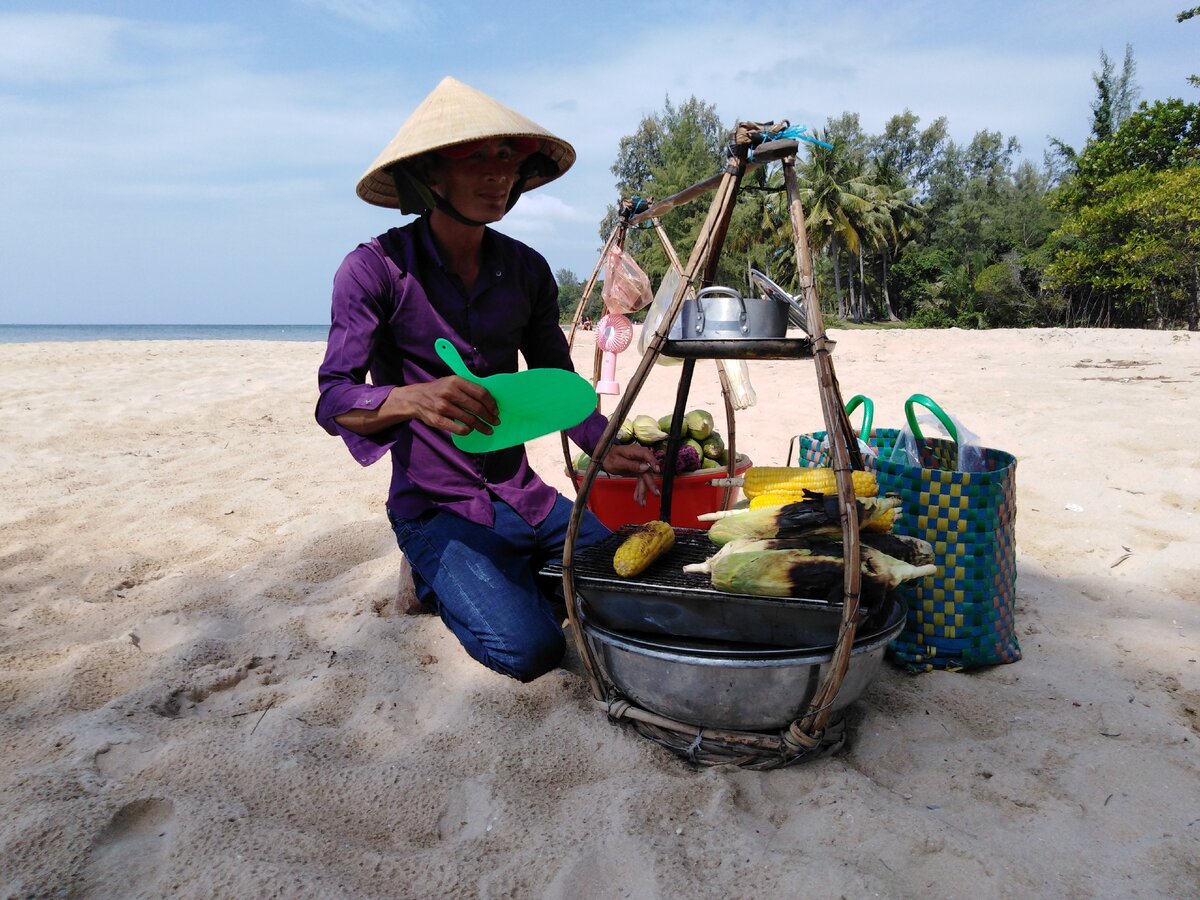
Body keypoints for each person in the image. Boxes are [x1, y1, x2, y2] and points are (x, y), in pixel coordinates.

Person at [315, 77, 658, 682]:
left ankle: (509, 574)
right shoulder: (374, 269)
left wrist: (605, 447)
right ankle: (430, 572)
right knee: (531, 651)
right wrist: (411, 399)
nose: (498, 172)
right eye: (475, 155)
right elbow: (336, 398)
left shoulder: (525, 269)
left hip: (525, 497)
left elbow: (556, 383)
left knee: (631, 594)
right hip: (436, 507)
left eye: (507, 157)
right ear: (429, 175)